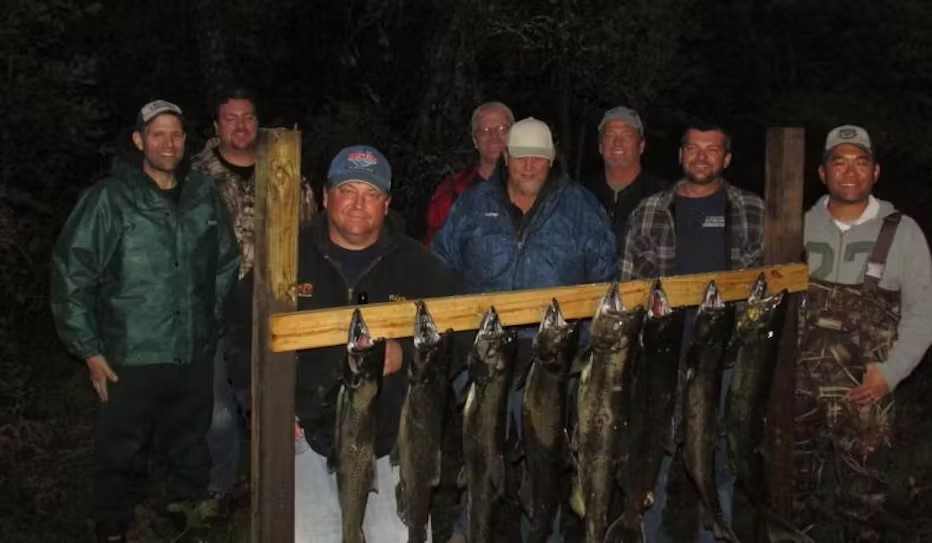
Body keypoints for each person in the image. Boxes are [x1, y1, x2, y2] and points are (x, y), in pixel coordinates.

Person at [50, 100, 240, 543]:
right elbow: (72, 273)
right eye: (157, 134)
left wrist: (207, 317)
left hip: (191, 352)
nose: (168, 142)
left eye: (175, 133)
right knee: (120, 456)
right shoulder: (109, 199)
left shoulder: (201, 195)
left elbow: (225, 262)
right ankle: (112, 530)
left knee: (190, 451)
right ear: (139, 141)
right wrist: (90, 350)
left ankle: (185, 527)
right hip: (128, 355)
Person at [432, 117, 616, 541]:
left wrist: (583, 350)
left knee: (544, 463)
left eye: (539, 158)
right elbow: (439, 268)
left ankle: (543, 531)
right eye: (521, 157)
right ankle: (469, 530)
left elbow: (607, 283)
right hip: (485, 360)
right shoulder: (473, 205)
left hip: (552, 363)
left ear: (552, 161)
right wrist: (456, 342)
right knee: (479, 460)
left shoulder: (581, 208)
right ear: (506, 159)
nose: (529, 166)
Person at [294, 145, 464, 543]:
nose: (358, 205)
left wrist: (409, 357)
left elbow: (465, 336)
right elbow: (241, 330)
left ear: (386, 204)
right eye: (347, 190)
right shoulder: (288, 256)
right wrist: (266, 405)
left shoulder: (421, 266)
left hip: (392, 446)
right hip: (307, 441)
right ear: (325, 196)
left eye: (371, 194)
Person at [793, 125, 932, 542]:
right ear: (823, 173)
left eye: (861, 162)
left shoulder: (903, 231)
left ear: (875, 172)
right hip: (796, 395)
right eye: (839, 162)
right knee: (793, 498)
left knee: (863, 506)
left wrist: (891, 373)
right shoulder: (795, 225)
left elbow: (924, 309)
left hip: (866, 397)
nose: (851, 172)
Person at [620, 124, 764, 542]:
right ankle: (640, 533)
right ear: (680, 155)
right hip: (660, 364)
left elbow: (768, 290)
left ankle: (716, 534)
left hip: (725, 366)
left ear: (727, 158)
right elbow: (628, 288)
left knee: (720, 462)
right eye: (693, 149)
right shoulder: (649, 211)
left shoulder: (752, 211)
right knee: (650, 463)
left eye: (712, 150)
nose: (702, 158)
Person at [191, 87, 315, 502]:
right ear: (215, 126)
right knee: (217, 410)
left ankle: (277, 485)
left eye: (248, 116)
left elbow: (310, 237)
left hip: (273, 307)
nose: (241, 125)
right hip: (211, 309)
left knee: (273, 399)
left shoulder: (286, 171)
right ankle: (219, 490)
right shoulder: (194, 178)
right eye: (230, 117)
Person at [423, 101, 515, 243]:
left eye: (502, 129)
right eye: (484, 131)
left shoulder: (535, 189)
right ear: (475, 141)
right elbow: (434, 251)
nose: (494, 136)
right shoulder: (452, 191)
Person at [583, 106, 667, 248]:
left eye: (627, 136)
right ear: (600, 146)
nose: (617, 143)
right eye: (610, 135)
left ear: (641, 146)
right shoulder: (581, 196)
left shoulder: (664, 198)